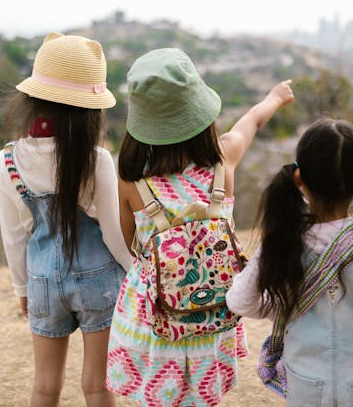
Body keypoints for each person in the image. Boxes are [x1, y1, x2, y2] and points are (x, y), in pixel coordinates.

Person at [106, 47, 294, 406]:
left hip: (157, 319)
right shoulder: (222, 163)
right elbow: (250, 123)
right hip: (211, 316)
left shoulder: (132, 182)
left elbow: (130, 242)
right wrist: (274, 97)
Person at [226, 118, 353, 406]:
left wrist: (286, 306)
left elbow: (239, 301)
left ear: (298, 180)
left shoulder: (283, 242)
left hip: (305, 380)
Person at [0, 33, 133, 407]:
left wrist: (22, 289)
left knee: (44, 385)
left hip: (41, 278)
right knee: (98, 385)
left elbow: (14, 234)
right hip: (99, 280)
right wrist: (136, 273)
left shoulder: (10, 159)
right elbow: (113, 232)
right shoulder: (97, 159)